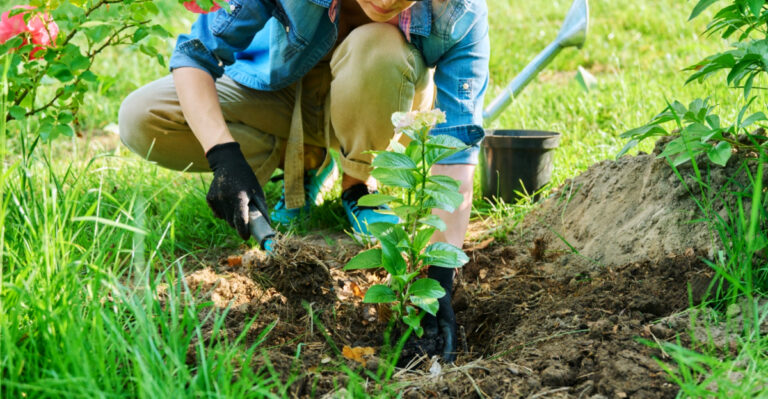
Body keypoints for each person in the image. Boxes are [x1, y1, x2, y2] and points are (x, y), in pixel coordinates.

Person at [119, 0, 489, 362]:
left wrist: (438, 284)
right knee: (142, 116)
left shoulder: (459, 10)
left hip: (384, 94)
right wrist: (223, 155)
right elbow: (196, 52)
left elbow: (456, 146)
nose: (387, 1)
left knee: (378, 46)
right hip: (286, 91)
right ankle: (300, 158)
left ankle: (357, 182)